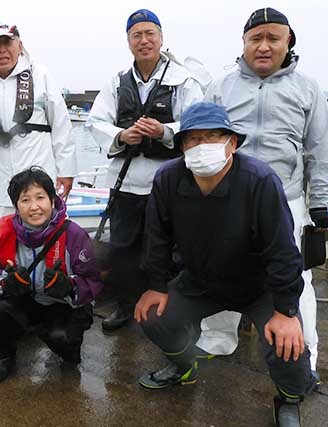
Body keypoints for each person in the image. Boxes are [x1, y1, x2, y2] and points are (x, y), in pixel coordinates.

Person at [136, 102, 317, 426]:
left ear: (232, 143)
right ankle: (184, 366)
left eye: (212, 137)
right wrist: (156, 285)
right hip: (201, 280)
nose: (202, 146)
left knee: (288, 343)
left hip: (257, 286)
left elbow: (284, 251)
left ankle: (289, 397)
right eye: (193, 140)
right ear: (181, 147)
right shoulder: (167, 178)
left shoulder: (259, 180)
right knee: (152, 315)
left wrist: (286, 310)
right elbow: (157, 237)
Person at [199, 7, 328, 373]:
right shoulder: (220, 87)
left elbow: (321, 149)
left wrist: (321, 201)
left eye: (273, 38)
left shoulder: (308, 88)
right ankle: (217, 338)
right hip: (228, 199)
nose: (263, 46)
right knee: (221, 269)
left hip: (285, 201)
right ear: (243, 43)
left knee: (297, 279)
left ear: (288, 41)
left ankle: (304, 356)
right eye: (255, 38)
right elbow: (199, 139)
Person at [86, 8, 206, 331]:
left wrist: (164, 131)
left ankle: (169, 307)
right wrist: (121, 135)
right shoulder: (116, 83)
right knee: (123, 248)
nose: (144, 40)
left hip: (167, 183)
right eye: (136, 35)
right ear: (128, 42)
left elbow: (198, 124)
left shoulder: (184, 82)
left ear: (161, 38)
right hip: (124, 182)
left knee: (170, 248)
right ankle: (125, 306)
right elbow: (95, 121)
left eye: (150, 33)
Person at [0, 166, 103, 384]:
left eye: (40, 197)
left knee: (63, 341)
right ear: (16, 206)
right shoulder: (6, 233)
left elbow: (93, 280)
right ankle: (5, 358)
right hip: (29, 299)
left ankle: (67, 352)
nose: (34, 207)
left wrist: (69, 286)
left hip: (65, 304)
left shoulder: (73, 234)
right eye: (25, 200)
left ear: (52, 200)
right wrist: (7, 283)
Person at [0, 23, 77, 225]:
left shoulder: (41, 75)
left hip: (39, 183)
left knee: (48, 238)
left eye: (7, 42)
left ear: (20, 45)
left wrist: (66, 171)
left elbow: (61, 125)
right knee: (3, 241)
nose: (1, 50)